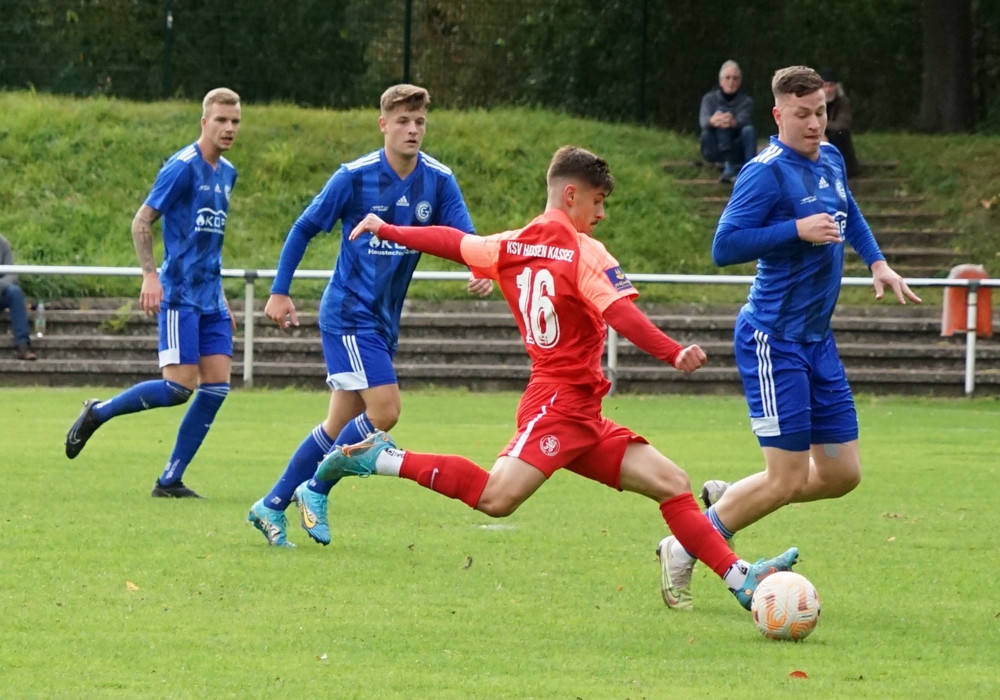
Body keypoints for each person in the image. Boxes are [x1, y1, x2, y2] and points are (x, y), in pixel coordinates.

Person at [315, 145, 799, 611]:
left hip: (580, 410)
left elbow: (453, 244)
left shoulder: (510, 244)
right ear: (571, 194)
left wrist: (389, 228)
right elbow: (620, 314)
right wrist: (673, 352)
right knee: (497, 497)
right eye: (597, 200)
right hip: (557, 405)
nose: (601, 213)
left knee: (671, 482)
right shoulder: (583, 251)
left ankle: (739, 577)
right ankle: (383, 457)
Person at [657, 65, 921, 609]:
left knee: (842, 474)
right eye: (802, 115)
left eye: (820, 111)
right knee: (787, 478)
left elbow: (849, 210)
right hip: (773, 339)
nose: (815, 123)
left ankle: (736, 498)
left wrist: (877, 262)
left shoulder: (831, 158)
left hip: (817, 341)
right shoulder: (764, 173)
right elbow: (724, 246)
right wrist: (795, 230)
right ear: (778, 115)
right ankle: (685, 544)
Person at [246, 84, 492, 547]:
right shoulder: (354, 177)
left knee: (337, 426)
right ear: (383, 125)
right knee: (386, 411)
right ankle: (316, 488)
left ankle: (271, 504)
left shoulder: (439, 180)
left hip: (382, 320)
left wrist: (479, 268)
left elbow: (465, 237)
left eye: (419, 121)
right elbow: (304, 227)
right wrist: (279, 291)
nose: (412, 129)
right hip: (349, 314)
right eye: (402, 121)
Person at [64, 88, 242, 498]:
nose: (229, 127)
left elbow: (208, 243)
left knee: (216, 387)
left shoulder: (227, 173)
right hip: (179, 293)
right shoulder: (182, 167)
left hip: (211, 298)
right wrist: (150, 275)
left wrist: (222, 297)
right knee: (178, 388)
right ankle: (98, 412)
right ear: (204, 122)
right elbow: (141, 221)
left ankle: (169, 481)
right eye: (221, 120)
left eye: (235, 121)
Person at [699, 60, 756, 184]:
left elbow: (743, 121)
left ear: (739, 82)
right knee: (721, 112)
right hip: (713, 147)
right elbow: (703, 121)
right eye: (728, 78)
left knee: (749, 130)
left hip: (737, 146)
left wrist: (731, 122)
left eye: (735, 78)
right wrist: (713, 121)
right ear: (721, 81)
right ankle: (727, 162)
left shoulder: (746, 101)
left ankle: (751, 170)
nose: (731, 81)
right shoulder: (709, 99)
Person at [0, 234, 37, 361]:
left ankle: (22, 345)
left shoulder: (2, 243)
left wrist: (0, 285)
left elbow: (12, 274)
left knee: (15, 292)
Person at [821, 69, 861, 178]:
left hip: (835, 135)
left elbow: (843, 124)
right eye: (825, 86)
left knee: (839, 134)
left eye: (831, 86)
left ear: (836, 87)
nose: (828, 90)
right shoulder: (814, 101)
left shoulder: (842, 101)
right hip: (819, 134)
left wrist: (823, 125)